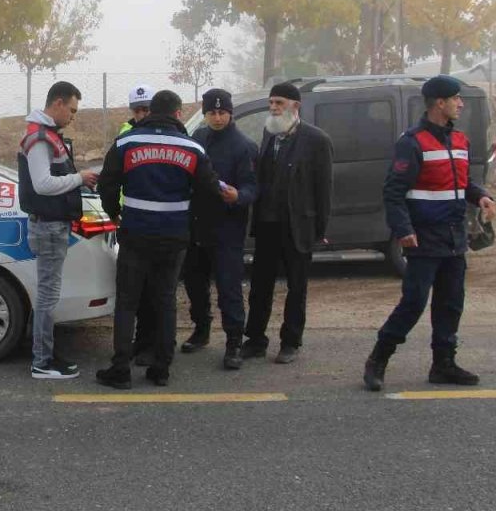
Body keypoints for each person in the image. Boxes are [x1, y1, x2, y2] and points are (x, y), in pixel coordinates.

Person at [363, 74, 496, 392]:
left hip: (455, 238)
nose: (461, 104)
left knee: (451, 304)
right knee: (413, 303)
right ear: (440, 103)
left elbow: (461, 183)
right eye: (456, 99)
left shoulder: (460, 141)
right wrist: (403, 230)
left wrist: (481, 196)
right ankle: (378, 359)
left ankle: (443, 364)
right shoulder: (412, 142)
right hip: (424, 239)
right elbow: (393, 192)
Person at [95, 90, 236, 389]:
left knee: (128, 302)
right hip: (174, 236)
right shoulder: (193, 148)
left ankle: (120, 369)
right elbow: (211, 190)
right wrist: (190, 220)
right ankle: (161, 369)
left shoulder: (126, 143)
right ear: (177, 113)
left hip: (134, 232)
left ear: (149, 112)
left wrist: (114, 213)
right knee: (165, 300)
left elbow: (107, 184)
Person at [245, 82, 333, 364]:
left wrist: (320, 229)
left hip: (298, 226)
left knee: (296, 288)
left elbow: (324, 190)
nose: (273, 108)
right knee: (260, 286)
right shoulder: (270, 134)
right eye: (271, 103)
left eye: (279, 103)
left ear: (295, 106)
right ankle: (255, 340)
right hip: (268, 224)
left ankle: (291, 342)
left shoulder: (316, 140)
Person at [18, 80, 99, 380]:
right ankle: (42, 362)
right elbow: (43, 184)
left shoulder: (48, 135)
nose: (73, 118)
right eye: (72, 111)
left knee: (48, 295)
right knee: (48, 297)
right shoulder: (40, 138)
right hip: (49, 226)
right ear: (58, 104)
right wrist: (79, 179)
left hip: (53, 225)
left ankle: (45, 353)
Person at [179, 88, 259, 370]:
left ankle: (234, 342)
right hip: (196, 224)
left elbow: (253, 187)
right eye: (211, 112)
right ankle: (201, 330)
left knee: (229, 288)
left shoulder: (244, 146)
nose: (217, 117)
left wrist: (239, 196)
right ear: (205, 114)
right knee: (194, 283)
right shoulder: (197, 139)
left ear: (230, 113)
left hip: (227, 227)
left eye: (222, 112)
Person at [117, 84, 157, 366]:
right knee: (132, 292)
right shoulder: (124, 134)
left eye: (147, 109)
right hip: (129, 219)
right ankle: (130, 346)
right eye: (138, 110)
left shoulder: (165, 133)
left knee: (154, 292)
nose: (142, 114)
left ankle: (148, 345)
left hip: (157, 223)